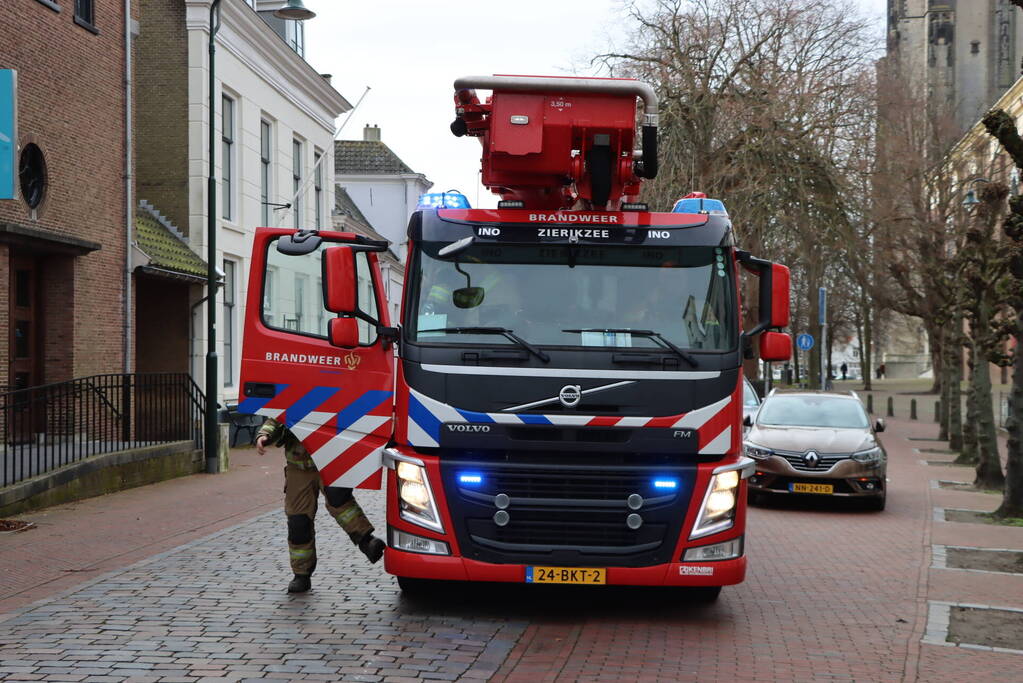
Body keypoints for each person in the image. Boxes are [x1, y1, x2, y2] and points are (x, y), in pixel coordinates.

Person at [255, 418, 385, 593]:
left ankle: (366, 541)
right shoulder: (293, 391)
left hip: (331, 460)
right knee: (298, 521)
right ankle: (301, 574)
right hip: (298, 466)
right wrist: (265, 434)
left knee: (341, 502)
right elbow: (278, 415)